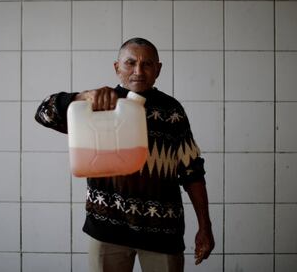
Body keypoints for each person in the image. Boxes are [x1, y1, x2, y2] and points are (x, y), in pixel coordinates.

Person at [35, 37, 214, 272]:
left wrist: (205, 226)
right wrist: (82, 97)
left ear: (158, 69)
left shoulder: (172, 111)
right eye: (130, 63)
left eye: (147, 64)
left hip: (162, 232)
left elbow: (192, 171)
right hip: (107, 232)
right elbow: (43, 114)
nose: (138, 71)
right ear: (117, 67)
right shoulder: (97, 104)